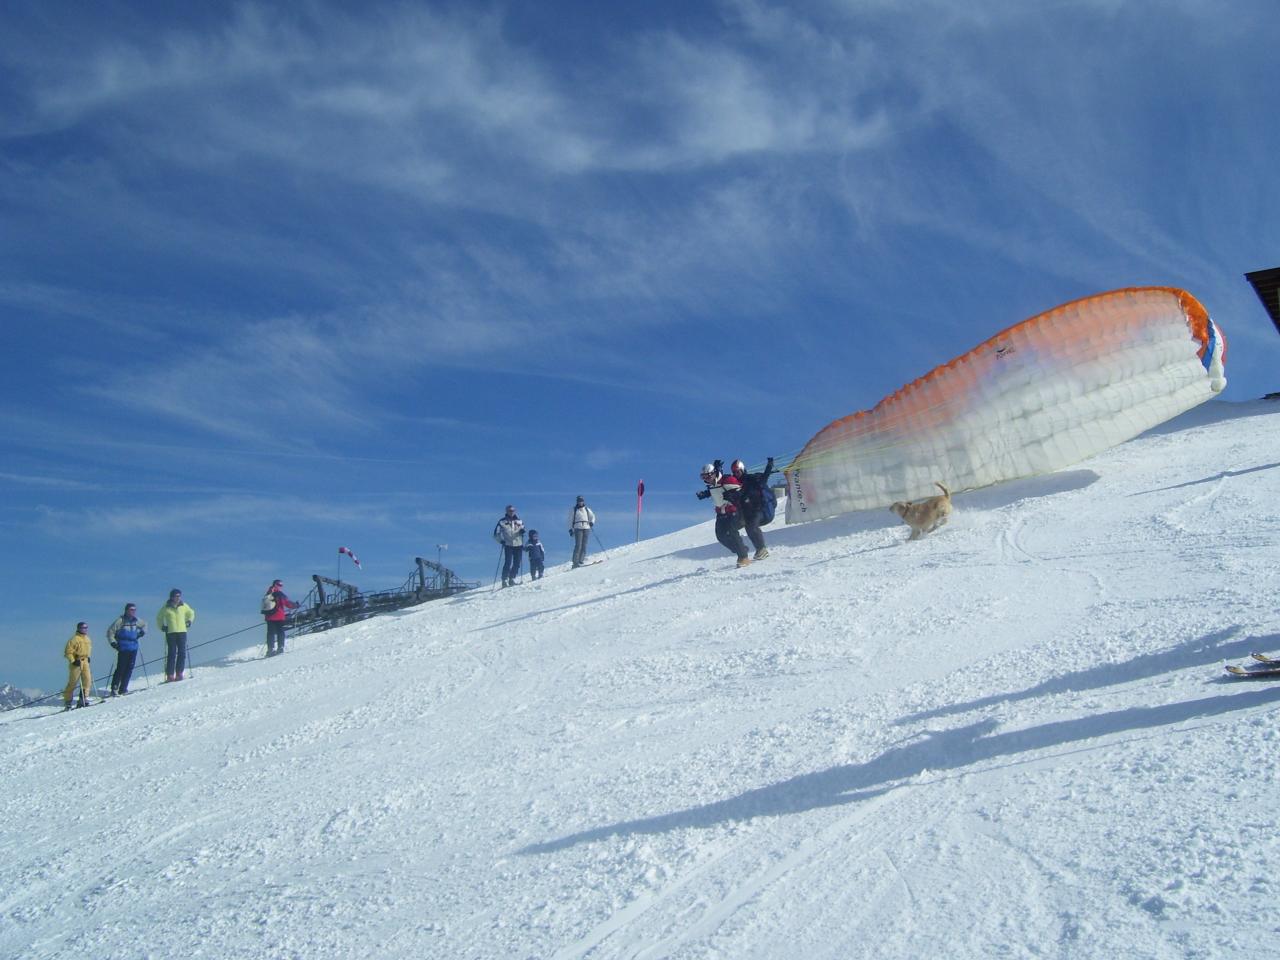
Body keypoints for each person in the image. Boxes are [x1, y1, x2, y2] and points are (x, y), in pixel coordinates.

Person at [696, 460, 751, 567]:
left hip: (734, 510)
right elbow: (715, 491)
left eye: (707, 476)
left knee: (732, 531)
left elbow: (742, 491)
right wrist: (705, 494)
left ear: (713, 473)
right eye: (703, 477)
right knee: (721, 536)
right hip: (721, 513)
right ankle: (741, 549)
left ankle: (743, 557)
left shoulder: (728, 480)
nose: (706, 479)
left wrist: (733, 495)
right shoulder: (711, 485)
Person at [730, 457, 775, 561]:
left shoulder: (751, 479)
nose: (736, 474)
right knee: (731, 527)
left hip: (760, 510)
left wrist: (769, 466)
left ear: (742, 470)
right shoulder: (734, 484)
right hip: (747, 512)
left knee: (751, 526)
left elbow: (764, 479)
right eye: (734, 472)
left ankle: (762, 549)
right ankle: (741, 549)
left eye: (738, 471)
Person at [106, 603, 146, 695]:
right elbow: (110, 632)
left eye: (134, 610)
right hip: (123, 646)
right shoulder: (120, 621)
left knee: (129, 668)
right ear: (126, 610)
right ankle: (114, 687)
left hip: (133, 647)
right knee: (121, 668)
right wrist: (113, 643)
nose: (133, 612)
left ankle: (123, 688)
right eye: (131, 610)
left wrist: (142, 633)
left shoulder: (136, 621)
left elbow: (144, 625)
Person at [156, 588, 195, 681]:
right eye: (176, 596)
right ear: (172, 597)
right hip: (171, 632)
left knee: (182, 653)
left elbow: (191, 612)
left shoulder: (184, 605)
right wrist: (162, 626)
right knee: (172, 653)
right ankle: (170, 674)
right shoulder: (166, 607)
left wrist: (189, 621)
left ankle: (179, 673)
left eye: (179, 596)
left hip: (182, 631)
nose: (178, 598)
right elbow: (159, 617)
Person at [262, 579, 300, 657]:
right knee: (280, 632)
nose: (281, 587)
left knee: (270, 633)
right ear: (276, 585)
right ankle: (280, 648)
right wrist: (296, 605)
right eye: (280, 585)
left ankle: (270, 649)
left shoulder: (268, 593)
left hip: (269, 617)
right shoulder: (279, 594)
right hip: (279, 616)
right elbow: (287, 603)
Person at [62, 621, 94, 709]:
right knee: (73, 682)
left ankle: (83, 699)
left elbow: (89, 649)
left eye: (86, 628)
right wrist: (73, 660)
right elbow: (68, 652)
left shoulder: (87, 639)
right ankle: (68, 701)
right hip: (77, 661)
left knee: (87, 680)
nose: (85, 629)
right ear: (79, 628)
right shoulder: (74, 639)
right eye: (83, 628)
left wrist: (88, 657)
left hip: (85, 661)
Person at [493, 505, 525, 587]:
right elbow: (496, 534)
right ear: (506, 511)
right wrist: (501, 541)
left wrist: (522, 531)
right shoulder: (502, 522)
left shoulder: (519, 521)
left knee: (517, 562)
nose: (512, 512)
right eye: (510, 510)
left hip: (518, 544)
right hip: (508, 544)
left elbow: (523, 529)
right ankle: (504, 579)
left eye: (513, 510)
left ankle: (512, 578)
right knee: (508, 562)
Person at [567, 495, 596, 568]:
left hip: (586, 527)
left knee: (584, 545)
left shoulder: (587, 509)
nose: (580, 502)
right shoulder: (574, 510)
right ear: (577, 502)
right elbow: (570, 520)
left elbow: (593, 516)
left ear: (583, 501)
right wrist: (570, 529)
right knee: (578, 545)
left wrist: (592, 522)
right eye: (579, 501)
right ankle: (575, 562)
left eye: (581, 501)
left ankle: (581, 560)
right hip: (578, 527)